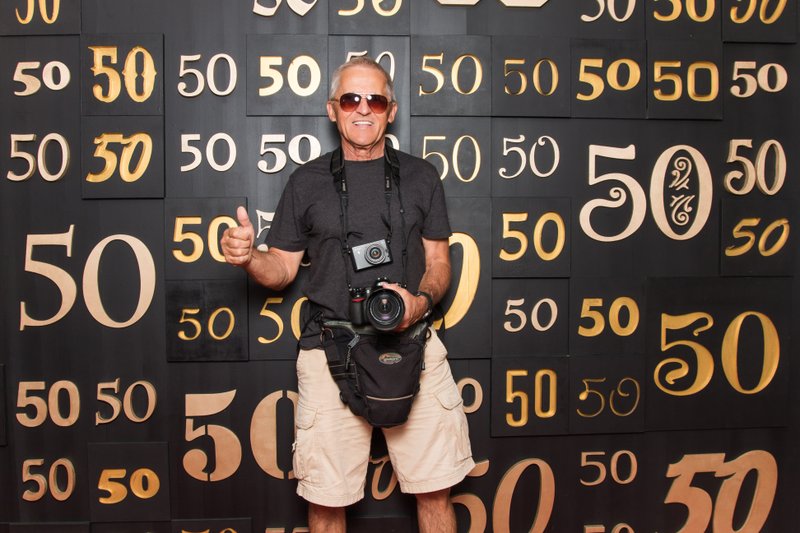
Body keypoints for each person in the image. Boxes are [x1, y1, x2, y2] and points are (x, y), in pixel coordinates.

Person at [221, 56, 474, 533]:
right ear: (332, 109)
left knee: (436, 489)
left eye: (375, 100)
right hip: (328, 351)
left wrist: (419, 303)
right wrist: (250, 257)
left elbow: (440, 263)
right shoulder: (306, 182)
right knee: (326, 499)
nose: (362, 109)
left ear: (391, 111)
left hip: (415, 345)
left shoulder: (422, 177)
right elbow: (282, 269)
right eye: (351, 99)